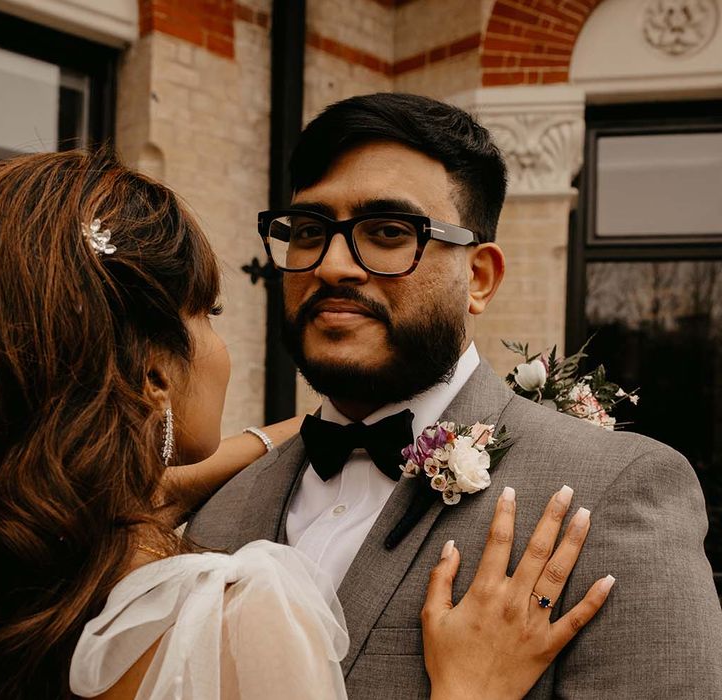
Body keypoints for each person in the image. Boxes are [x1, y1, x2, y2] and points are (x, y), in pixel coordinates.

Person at [0, 150, 611, 700]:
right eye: (208, 313)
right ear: (153, 373)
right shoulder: (241, 614)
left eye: (387, 231)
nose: (332, 266)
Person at [188, 93, 722, 698]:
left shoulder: (613, 494)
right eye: (310, 231)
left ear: (479, 277)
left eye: (389, 231)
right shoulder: (219, 509)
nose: (333, 264)